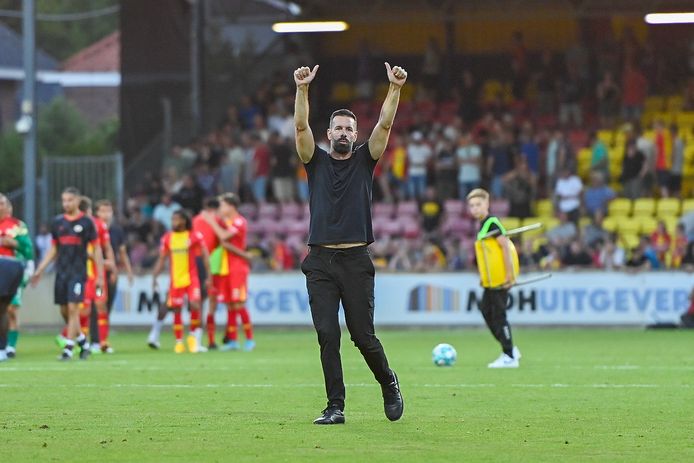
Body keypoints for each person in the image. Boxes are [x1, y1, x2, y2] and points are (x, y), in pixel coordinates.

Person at [293, 62, 405, 425]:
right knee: (328, 334)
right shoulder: (315, 161)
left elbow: (385, 124)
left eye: (349, 128)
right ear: (328, 133)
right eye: (338, 127)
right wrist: (302, 89)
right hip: (320, 262)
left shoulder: (364, 161)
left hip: (356, 260)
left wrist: (394, 88)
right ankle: (335, 406)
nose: (343, 132)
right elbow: (299, 126)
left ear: (357, 134)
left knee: (361, 335)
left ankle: (388, 382)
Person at [32, 187, 104, 361]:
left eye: (70, 200)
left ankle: (68, 348)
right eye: (64, 200)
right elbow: (54, 248)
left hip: (78, 273)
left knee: (73, 309)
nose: (66, 203)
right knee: (65, 312)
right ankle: (83, 342)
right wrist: (40, 269)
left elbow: (96, 249)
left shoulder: (87, 223)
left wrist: (100, 275)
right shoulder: (57, 222)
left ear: (78, 201)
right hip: (61, 273)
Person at [467, 188, 521, 368]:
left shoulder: (492, 223)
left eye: (478, 204)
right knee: (487, 312)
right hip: (490, 281)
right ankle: (510, 348)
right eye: (472, 205)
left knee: (499, 315)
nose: (474, 208)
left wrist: (508, 275)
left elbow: (505, 247)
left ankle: (509, 355)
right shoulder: (483, 225)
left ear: (487, 204)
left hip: (499, 279)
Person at [150, 210, 211, 353]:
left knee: (195, 304)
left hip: (192, 278)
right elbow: (162, 258)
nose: (173, 222)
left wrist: (209, 276)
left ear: (184, 221)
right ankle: (178, 341)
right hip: (176, 280)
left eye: (176, 219)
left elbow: (205, 255)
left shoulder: (194, 236)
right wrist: (155, 276)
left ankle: (192, 336)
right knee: (176, 309)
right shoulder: (168, 238)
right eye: (172, 219)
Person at [201, 193, 255, 352]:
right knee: (230, 304)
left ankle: (250, 339)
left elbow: (224, 236)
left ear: (231, 206)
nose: (220, 208)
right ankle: (233, 341)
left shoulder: (239, 221)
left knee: (239, 303)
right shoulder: (226, 222)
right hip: (225, 267)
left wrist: (210, 221)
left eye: (222, 205)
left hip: (237, 266)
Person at [92, 200, 134, 351]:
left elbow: (121, 253)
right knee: (97, 306)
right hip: (95, 272)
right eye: (103, 211)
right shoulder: (93, 228)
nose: (106, 214)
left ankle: (103, 340)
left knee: (106, 307)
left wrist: (128, 271)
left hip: (111, 273)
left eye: (109, 211)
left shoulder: (117, 230)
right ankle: (95, 341)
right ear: (97, 213)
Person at [0, 196, 34, 359]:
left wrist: (13, 244)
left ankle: (9, 346)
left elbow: (28, 251)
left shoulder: (18, 226)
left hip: (11, 271)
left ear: (8, 207)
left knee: (11, 309)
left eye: (1, 203)